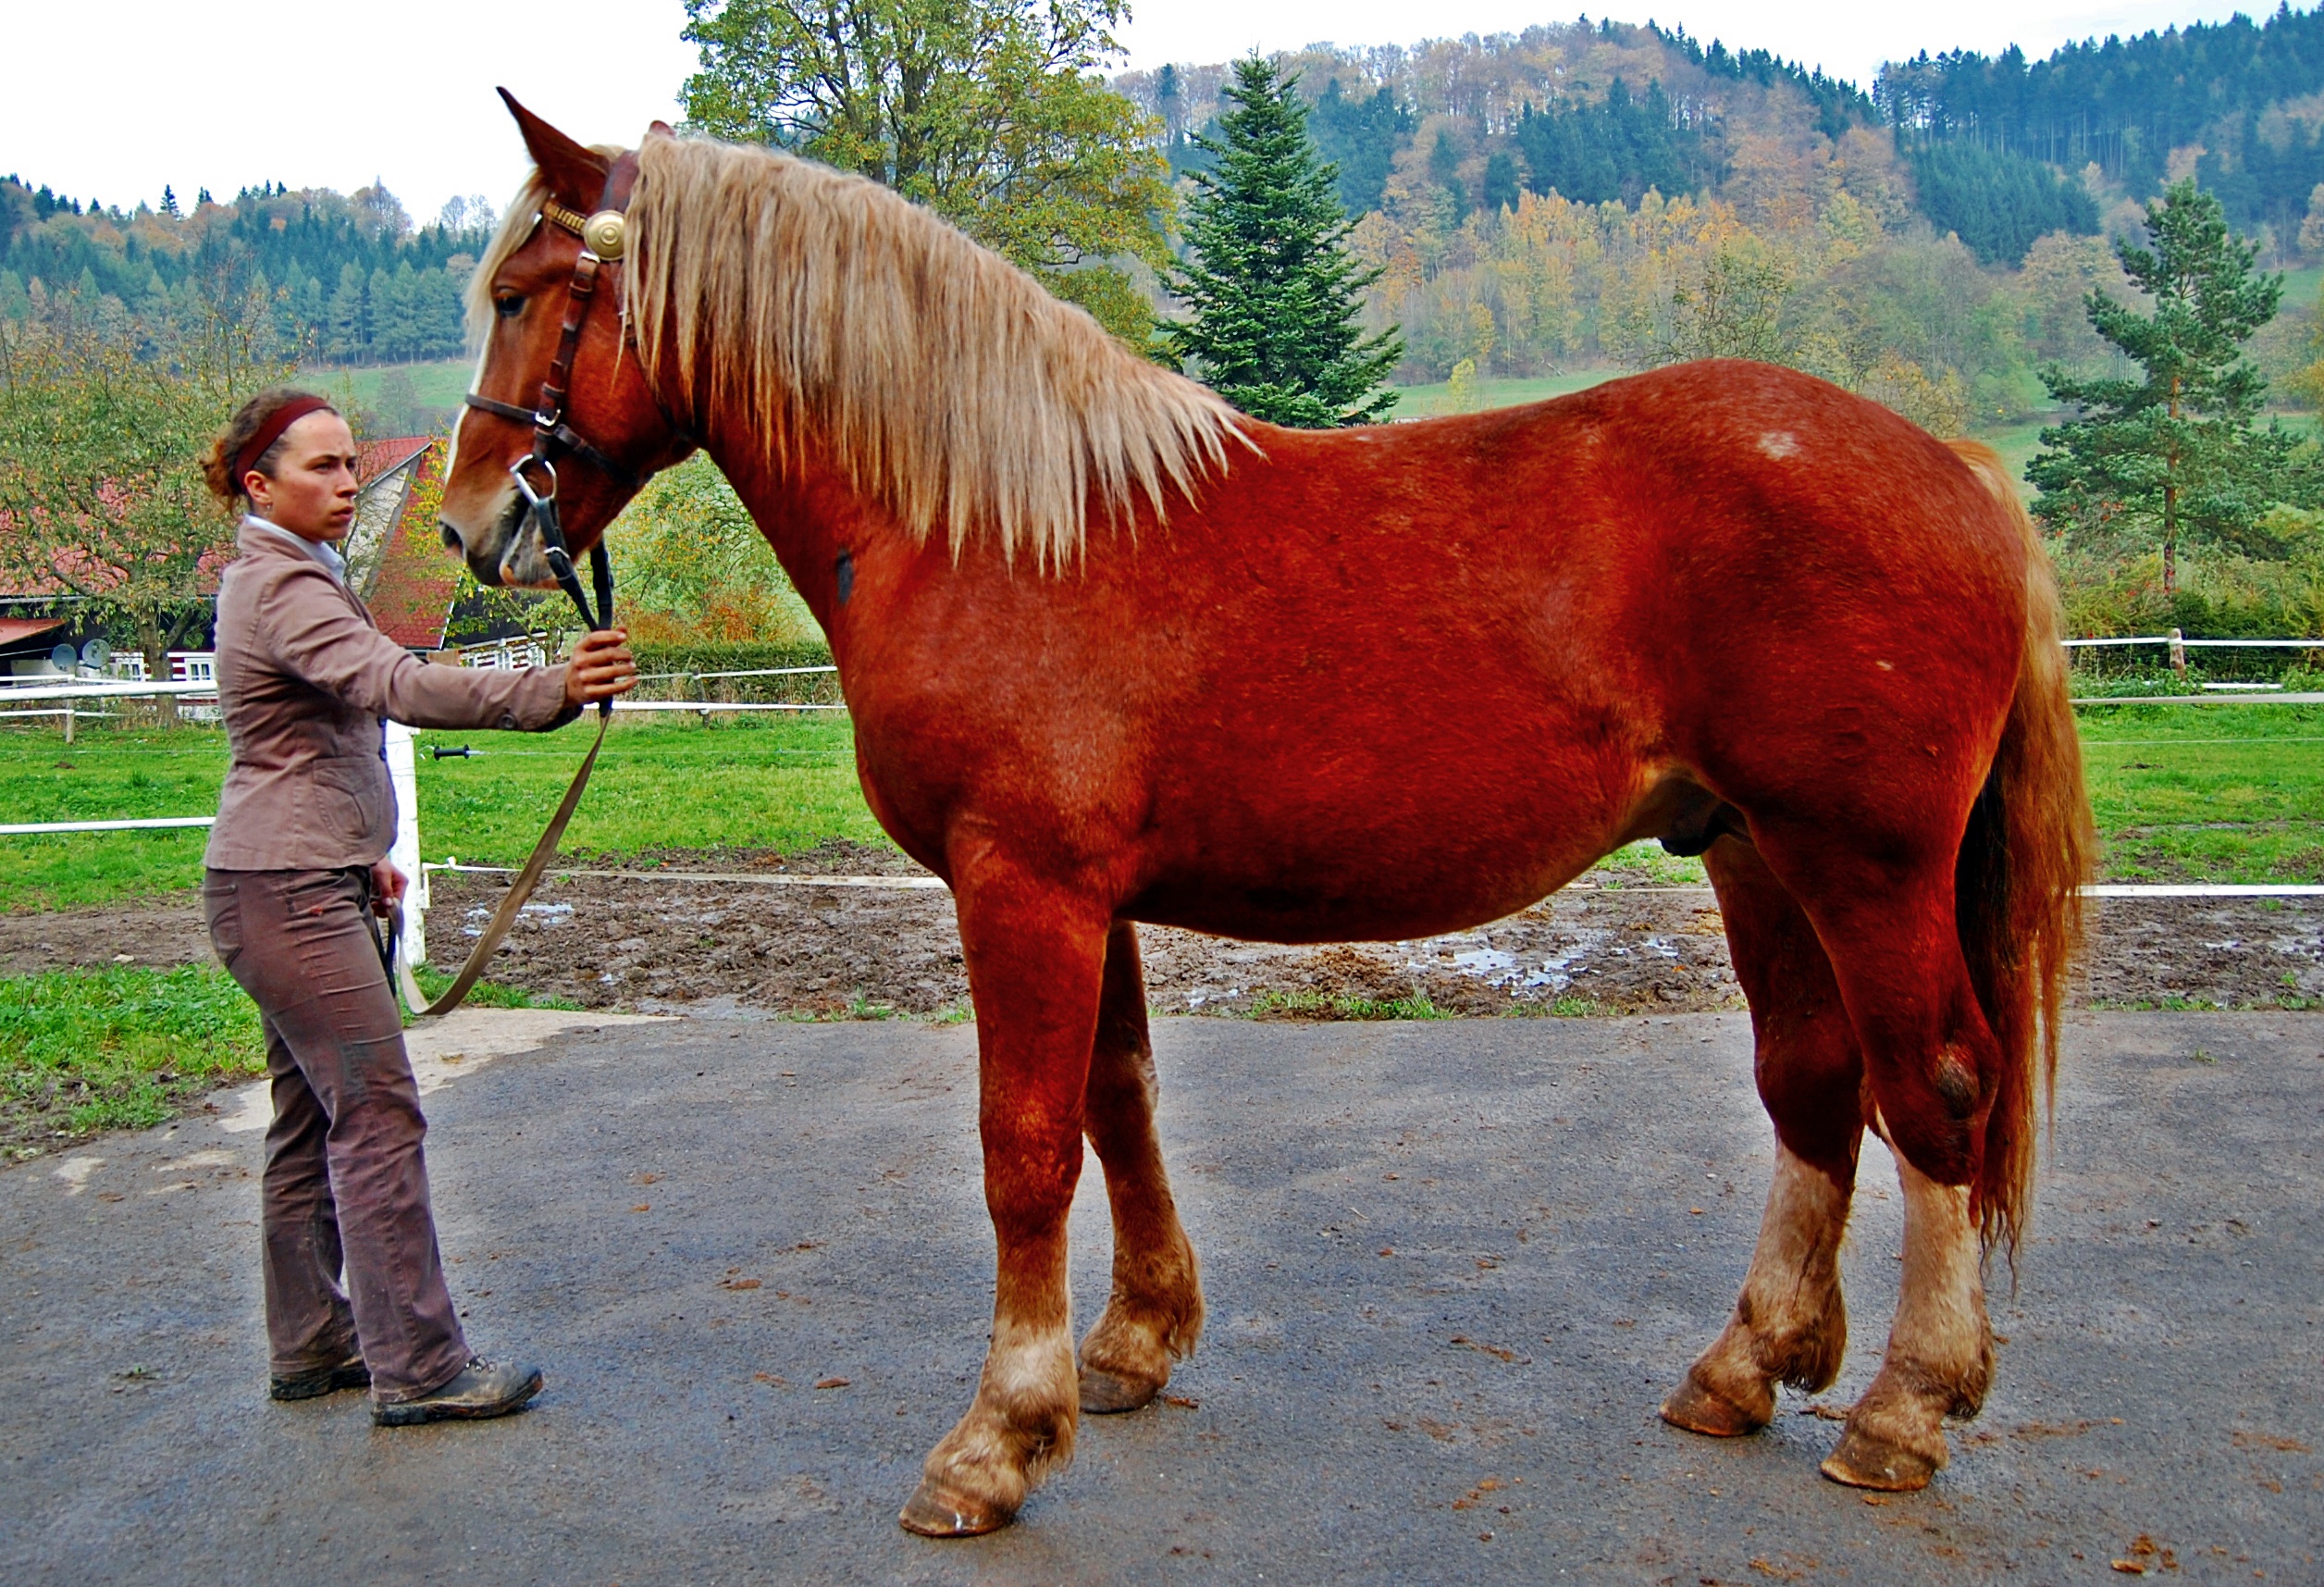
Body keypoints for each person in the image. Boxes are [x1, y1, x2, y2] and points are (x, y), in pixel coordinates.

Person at [198, 388, 637, 1423]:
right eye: (320, 467)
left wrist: (367, 856)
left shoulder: (294, 570)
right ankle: (420, 1366)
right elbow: (390, 684)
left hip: (295, 878)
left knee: (313, 1118)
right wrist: (546, 690)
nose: (348, 483)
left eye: (351, 463)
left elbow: (314, 737)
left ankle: (313, 1342)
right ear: (259, 484)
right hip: (290, 892)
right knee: (377, 1112)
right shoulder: (282, 582)